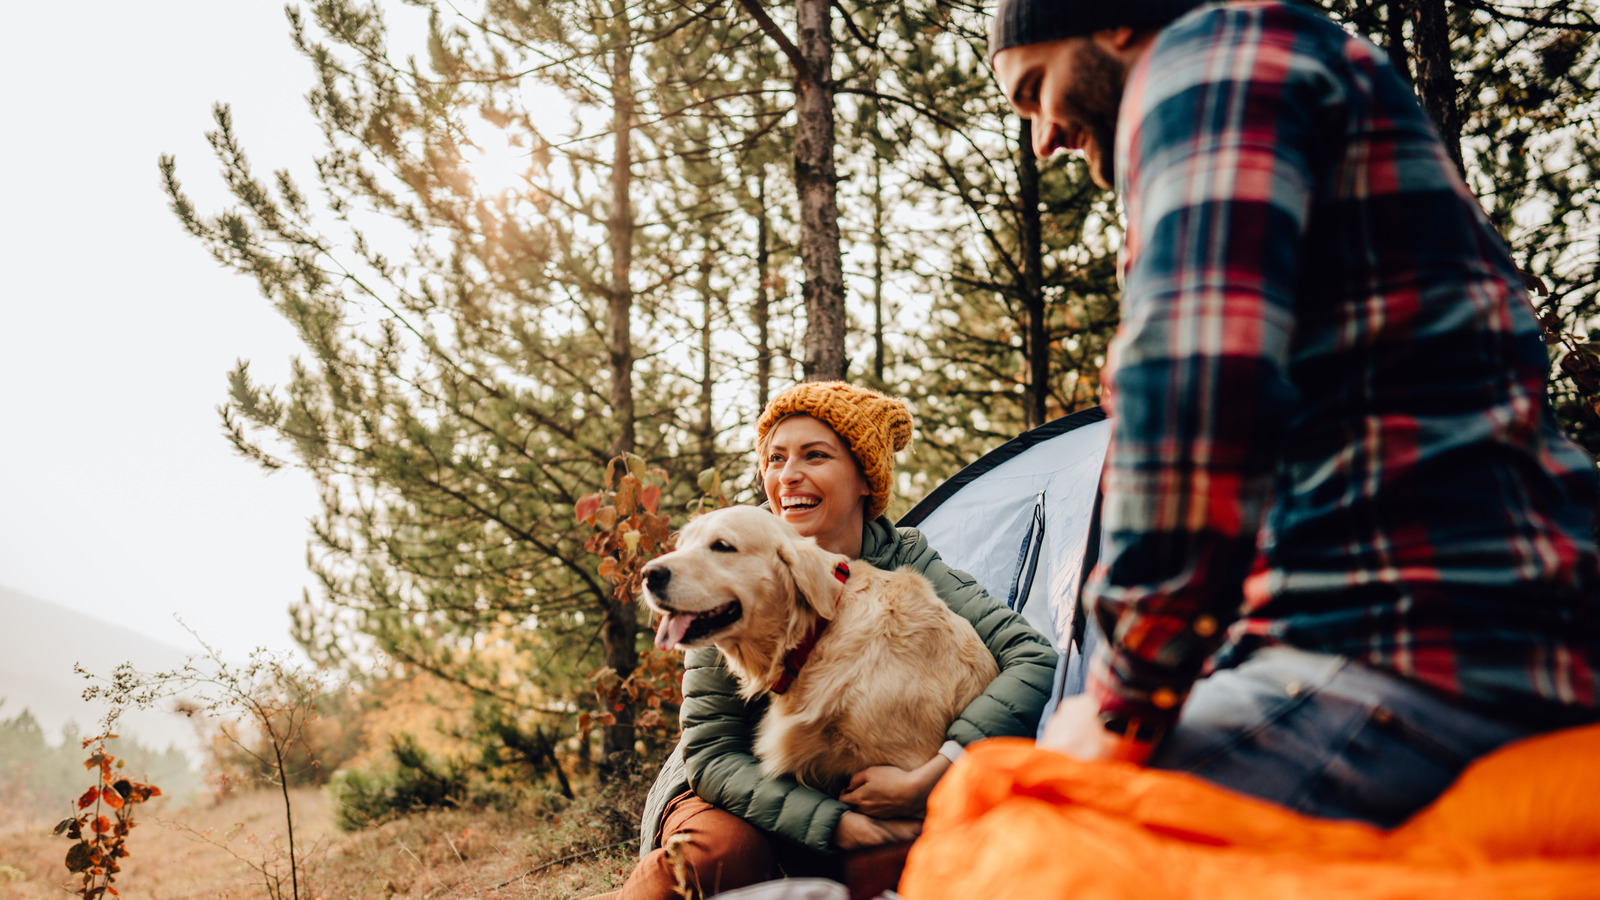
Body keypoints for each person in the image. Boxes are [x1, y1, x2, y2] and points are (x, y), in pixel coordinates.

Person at [989, 0, 1600, 827]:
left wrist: (1119, 703)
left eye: (1034, 90)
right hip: (1486, 629)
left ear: (1117, 23)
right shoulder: (1291, 67)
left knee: (1026, 820)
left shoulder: (1206, 60)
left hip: (1408, 650)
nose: (1043, 139)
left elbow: (1195, 386)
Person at [593, 381, 1057, 900]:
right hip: (742, 791)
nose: (788, 475)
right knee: (715, 857)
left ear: (863, 477)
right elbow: (713, 751)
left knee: (901, 865)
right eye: (775, 458)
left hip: (872, 788)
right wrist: (832, 823)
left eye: (815, 455)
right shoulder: (726, 565)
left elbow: (1034, 659)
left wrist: (935, 773)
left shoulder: (910, 563)